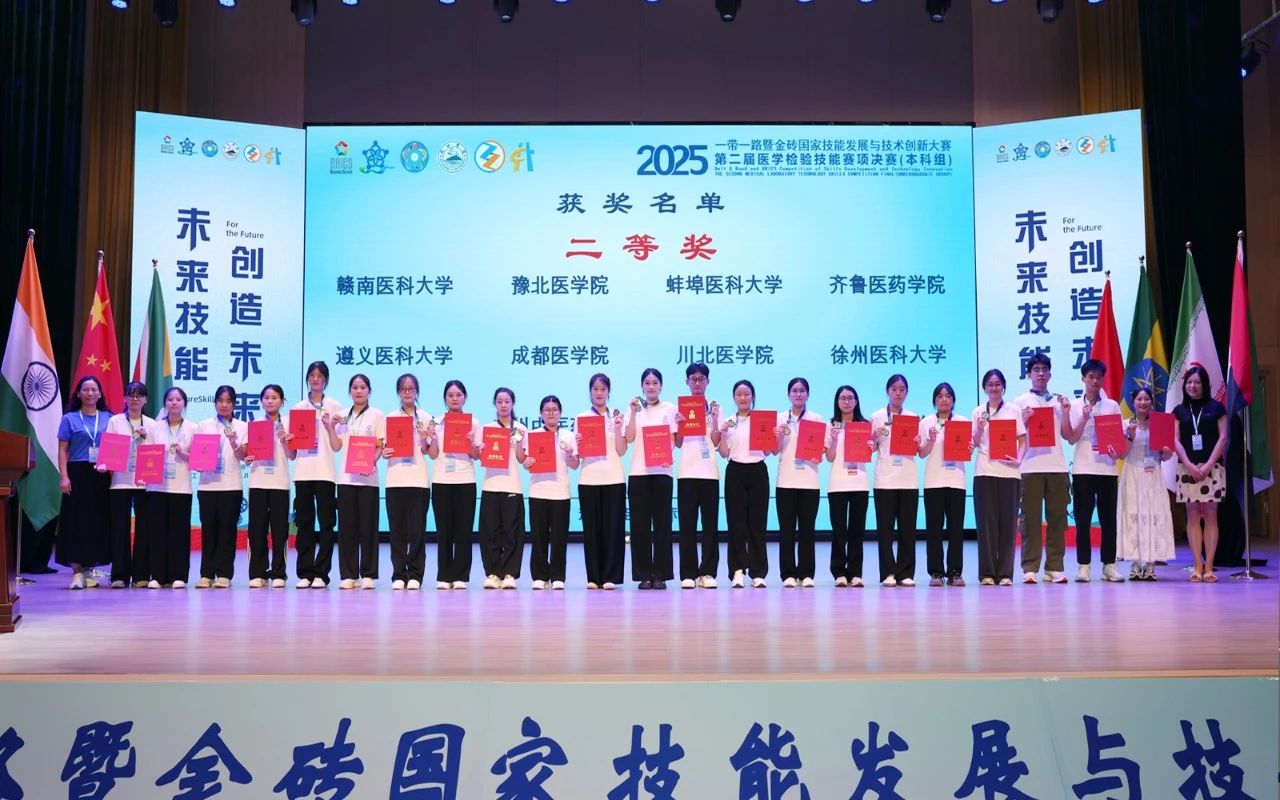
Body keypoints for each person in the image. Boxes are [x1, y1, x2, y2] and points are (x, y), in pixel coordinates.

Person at [1063, 359, 1127, 582]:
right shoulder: (1073, 405)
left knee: (1109, 520)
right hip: (1083, 470)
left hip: (1107, 469)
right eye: (1091, 377)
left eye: (1099, 377)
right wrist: (1084, 417)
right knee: (1083, 520)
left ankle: (1109, 565)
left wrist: (1116, 450)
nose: (1095, 381)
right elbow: (1071, 438)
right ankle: (1084, 566)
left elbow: (1118, 441)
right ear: (1083, 378)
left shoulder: (1112, 406)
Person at [1012, 353, 1072, 584]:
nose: (1040, 373)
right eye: (1036, 369)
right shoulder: (1020, 402)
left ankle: (1054, 567)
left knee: (1058, 519)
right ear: (1028, 374)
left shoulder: (1059, 400)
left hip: (1057, 466)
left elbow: (1067, 434)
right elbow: (1012, 436)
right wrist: (1023, 420)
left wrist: (1065, 413)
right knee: (1030, 520)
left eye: (1044, 369)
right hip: (1030, 467)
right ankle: (1029, 568)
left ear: (1050, 374)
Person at [1171, 365, 1228, 582]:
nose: (1192, 386)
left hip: (1212, 469)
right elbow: (1175, 440)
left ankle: (1209, 567)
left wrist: (1208, 465)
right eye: (1189, 382)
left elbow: (1223, 438)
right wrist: (1189, 465)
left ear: (1204, 385)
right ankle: (1197, 565)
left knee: (1211, 516)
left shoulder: (1217, 408)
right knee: (1193, 516)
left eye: (1197, 382)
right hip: (1187, 469)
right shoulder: (1179, 410)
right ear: (1184, 385)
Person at [289, 361, 343, 589]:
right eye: (312, 375)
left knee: (327, 524)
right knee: (304, 524)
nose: (315, 379)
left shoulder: (335, 406)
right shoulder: (298, 407)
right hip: (303, 472)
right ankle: (305, 572)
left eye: (320, 375)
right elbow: (292, 452)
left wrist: (329, 427)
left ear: (326, 380)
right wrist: (291, 440)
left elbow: (337, 447)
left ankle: (322, 573)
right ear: (307, 379)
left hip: (326, 473)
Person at [56, 375, 112, 589]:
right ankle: (77, 571)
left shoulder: (109, 418)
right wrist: (64, 476)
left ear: (100, 394)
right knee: (75, 521)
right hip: (77, 473)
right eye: (85, 389)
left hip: (101, 474)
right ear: (78, 394)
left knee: (96, 521)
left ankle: (89, 569)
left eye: (94, 389)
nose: (90, 393)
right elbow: (62, 450)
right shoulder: (69, 419)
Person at [971, 369, 1026, 586]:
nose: (994, 388)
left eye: (997, 384)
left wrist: (1018, 459)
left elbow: (1023, 441)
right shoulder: (978, 412)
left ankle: (1005, 574)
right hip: (984, 471)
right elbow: (975, 442)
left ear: (1003, 387)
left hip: (1009, 473)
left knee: (1008, 525)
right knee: (986, 525)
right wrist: (979, 429)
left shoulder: (1013, 410)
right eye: (990, 384)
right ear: (985, 388)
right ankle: (987, 573)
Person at [626, 368, 678, 589]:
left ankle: (661, 575)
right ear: (642, 386)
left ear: (661, 386)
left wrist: (666, 454)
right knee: (639, 527)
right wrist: (632, 412)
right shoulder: (634, 408)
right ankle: (644, 575)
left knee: (662, 526)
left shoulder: (669, 408)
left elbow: (673, 439)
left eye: (655, 383)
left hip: (662, 472)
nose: (651, 387)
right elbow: (629, 438)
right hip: (639, 473)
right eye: (647, 383)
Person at [381, 374, 434, 591]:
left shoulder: (426, 417)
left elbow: (428, 451)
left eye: (411, 388)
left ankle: (415, 574)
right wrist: (384, 452)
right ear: (398, 392)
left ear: (416, 391)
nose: (407, 392)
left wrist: (424, 438)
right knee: (397, 531)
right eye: (403, 388)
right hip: (395, 480)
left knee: (417, 531)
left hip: (418, 481)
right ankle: (398, 574)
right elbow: (383, 447)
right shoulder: (390, 418)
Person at [521, 395, 579, 590]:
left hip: (560, 491)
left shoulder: (568, 435)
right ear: (541, 413)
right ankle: (539, 576)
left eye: (555, 410)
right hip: (538, 490)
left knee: (559, 537)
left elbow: (575, 464)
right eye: (547, 410)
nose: (551, 413)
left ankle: (558, 576)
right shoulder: (532, 435)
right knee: (539, 536)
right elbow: (526, 462)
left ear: (560, 413)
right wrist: (527, 462)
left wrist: (570, 454)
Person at [1117, 387, 1175, 580]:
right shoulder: (1125, 424)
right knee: (1132, 516)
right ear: (1133, 402)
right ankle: (1135, 564)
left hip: (1153, 474)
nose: (1143, 402)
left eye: (1146, 399)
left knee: (1153, 517)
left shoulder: (1160, 424)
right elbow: (1122, 454)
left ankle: (1150, 565)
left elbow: (1166, 456)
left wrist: (1167, 451)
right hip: (1132, 473)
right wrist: (1129, 437)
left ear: (1151, 402)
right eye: (1139, 399)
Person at [99, 381, 152, 588]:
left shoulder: (152, 424)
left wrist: (147, 439)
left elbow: (157, 452)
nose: (135, 399)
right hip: (120, 482)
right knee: (120, 529)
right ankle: (119, 575)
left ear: (145, 400)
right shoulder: (115, 421)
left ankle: (141, 574)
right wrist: (104, 463)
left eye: (139, 395)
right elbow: (108, 449)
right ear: (125, 398)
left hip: (144, 482)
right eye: (131, 395)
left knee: (144, 529)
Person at [576, 374, 627, 590]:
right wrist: (578, 443)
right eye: (595, 389)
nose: (599, 393)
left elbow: (621, 451)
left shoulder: (617, 416)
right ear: (590, 391)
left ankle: (611, 576)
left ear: (609, 391)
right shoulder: (582, 418)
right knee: (592, 530)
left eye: (603, 389)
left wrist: (618, 429)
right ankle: (594, 577)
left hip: (614, 478)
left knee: (614, 529)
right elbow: (578, 454)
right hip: (589, 478)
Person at [193, 385, 247, 589]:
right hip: (207, 486)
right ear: (215, 403)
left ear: (234, 404)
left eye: (228, 401)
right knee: (208, 531)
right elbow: (197, 457)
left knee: (228, 531)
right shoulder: (204, 425)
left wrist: (234, 443)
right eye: (220, 401)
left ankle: (224, 574)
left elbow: (243, 456)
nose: (224, 405)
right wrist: (199, 462)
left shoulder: (242, 426)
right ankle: (206, 573)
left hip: (231, 486)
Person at [718, 379, 770, 588]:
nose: (743, 398)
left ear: (753, 397)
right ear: (734, 397)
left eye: (747, 394)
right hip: (735, 472)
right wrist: (723, 434)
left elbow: (768, 451)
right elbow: (724, 453)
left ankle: (758, 573)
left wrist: (772, 435)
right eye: (739, 394)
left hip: (758, 471)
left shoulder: (762, 420)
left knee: (757, 524)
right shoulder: (729, 422)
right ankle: (737, 571)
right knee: (736, 524)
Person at [143, 386, 197, 589]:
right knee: (157, 532)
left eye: (178, 399)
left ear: (184, 404)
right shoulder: (155, 427)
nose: (174, 403)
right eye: (170, 399)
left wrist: (183, 453)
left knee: (179, 534)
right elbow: (147, 455)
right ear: (165, 403)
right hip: (156, 487)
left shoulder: (193, 428)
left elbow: (198, 460)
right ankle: (157, 575)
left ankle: (178, 576)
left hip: (181, 488)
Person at [334, 374, 384, 590]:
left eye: (363, 387)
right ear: (350, 391)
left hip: (368, 479)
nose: (359, 391)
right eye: (355, 387)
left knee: (368, 528)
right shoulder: (342, 416)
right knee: (347, 529)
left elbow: (380, 445)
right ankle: (348, 574)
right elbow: (336, 446)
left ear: (369, 391)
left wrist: (371, 462)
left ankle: (368, 574)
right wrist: (330, 428)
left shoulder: (377, 415)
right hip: (345, 479)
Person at [675, 363, 722, 589]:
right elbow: (677, 443)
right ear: (687, 382)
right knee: (687, 525)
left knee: (710, 525)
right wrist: (680, 424)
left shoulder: (715, 408)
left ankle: (708, 572)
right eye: (693, 379)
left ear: (708, 382)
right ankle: (688, 573)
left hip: (709, 473)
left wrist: (714, 419)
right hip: (687, 472)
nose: (697, 383)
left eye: (701, 379)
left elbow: (716, 441)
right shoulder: (679, 409)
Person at [869, 374, 919, 587]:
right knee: (885, 529)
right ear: (887, 391)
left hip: (908, 479)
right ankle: (888, 572)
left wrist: (917, 441)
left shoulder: (913, 417)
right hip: (885, 480)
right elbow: (869, 449)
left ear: (906, 392)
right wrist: (873, 437)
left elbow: (919, 450)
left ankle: (906, 572)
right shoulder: (877, 416)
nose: (898, 393)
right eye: (894, 389)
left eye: (902, 389)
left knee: (907, 529)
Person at [432, 379, 482, 589]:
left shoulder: (474, 423)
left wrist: (470, 442)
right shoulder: (436, 422)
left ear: (465, 398)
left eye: (458, 395)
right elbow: (433, 454)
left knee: (463, 530)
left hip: (465, 479)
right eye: (450, 395)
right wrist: (431, 437)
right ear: (445, 398)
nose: (454, 399)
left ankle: (461, 575)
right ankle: (444, 575)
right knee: (443, 530)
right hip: (441, 479)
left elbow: (477, 455)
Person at [775, 377, 824, 588]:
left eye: (802, 390)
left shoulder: (816, 418)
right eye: (794, 390)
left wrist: (817, 454)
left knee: (807, 529)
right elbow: (774, 450)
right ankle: (787, 574)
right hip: (786, 481)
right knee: (786, 530)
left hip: (809, 481)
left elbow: (821, 451)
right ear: (788, 394)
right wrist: (778, 435)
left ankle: (806, 574)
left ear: (808, 394)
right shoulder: (779, 418)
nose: (798, 394)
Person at [918, 382, 967, 586]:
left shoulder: (962, 422)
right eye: (940, 396)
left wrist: (968, 447)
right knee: (934, 529)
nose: (944, 400)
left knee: (956, 529)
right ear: (934, 400)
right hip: (934, 481)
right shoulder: (926, 422)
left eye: (948, 396)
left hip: (956, 481)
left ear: (953, 400)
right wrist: (930, 439)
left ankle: (955, 572)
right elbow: (921, 453)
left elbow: (967, 450)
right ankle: (936, 573)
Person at [246, 384, 296, 588]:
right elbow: (248, 453)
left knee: (279, 530)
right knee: (256, 530)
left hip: (279, 483)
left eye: (274, 397)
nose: (270, 401)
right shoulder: (255, 424)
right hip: (258, 482)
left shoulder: (289, 423)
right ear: (261, 401)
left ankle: (278, 573)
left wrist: (285, 441)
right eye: (266, 397)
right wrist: (248, 457)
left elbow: (292, 455)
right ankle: (257, 573)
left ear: (282, 401)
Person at [479, 387, 524, 590]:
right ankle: (492, 573)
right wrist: (481, 450)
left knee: (512, 532)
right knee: (490, 532)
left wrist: (519, 444)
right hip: (491, 485)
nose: (503, 405)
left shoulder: (520, 429)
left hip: (512, 485)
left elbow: (522, 459)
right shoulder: (487, 428)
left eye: (507, 401)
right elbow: (480, 456)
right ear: (494, 404)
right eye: (499, 401)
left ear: (513, 403)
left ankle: (509, 574)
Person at [825, 384, 869, 587]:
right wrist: (834, 439)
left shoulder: (864, 425)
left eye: (850, 398)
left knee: (857, 530)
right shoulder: (830, 425)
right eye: (842, 398)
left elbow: (869, 453)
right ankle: (839, 572)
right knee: (839, 530)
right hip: (838, 483)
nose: (846, 401)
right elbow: (829, 457)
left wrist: (871, 445)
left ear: (856, 401)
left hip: (859, 482)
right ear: (837, 402)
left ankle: (855, 572)